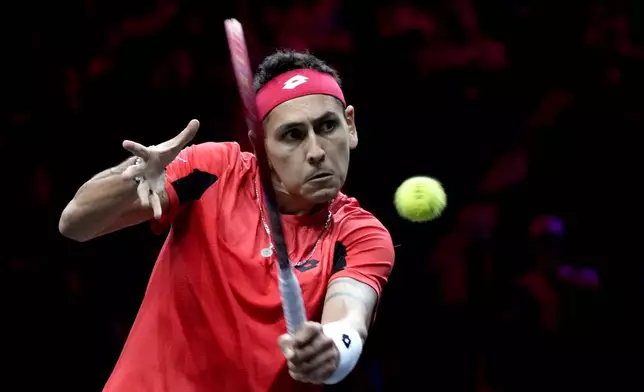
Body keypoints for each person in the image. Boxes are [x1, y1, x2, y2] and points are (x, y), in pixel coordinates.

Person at [59, 49, 395, 392]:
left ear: (350, 125)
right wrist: (129, 178)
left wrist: (331, 348)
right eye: (292, 135)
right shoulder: (213, 172)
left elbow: (351, 317)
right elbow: (75, 224)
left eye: (327, 126)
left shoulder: (360, 234)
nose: (316, 151)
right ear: (260, 145)